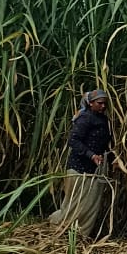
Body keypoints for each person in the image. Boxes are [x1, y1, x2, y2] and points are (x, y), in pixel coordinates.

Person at [49, 89, 113, 240]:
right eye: (100, 103)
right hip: (78, 169)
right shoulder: (84, 118)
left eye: (105, 103)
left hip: (94, 170)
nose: (103, 106)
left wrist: (112, 160)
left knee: (89, 205)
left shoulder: (103, 120)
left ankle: (80, 235)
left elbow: (104, 144)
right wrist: (91, 155)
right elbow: (73, 141)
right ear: (90, 103)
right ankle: (60, 228)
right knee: (75, 205)